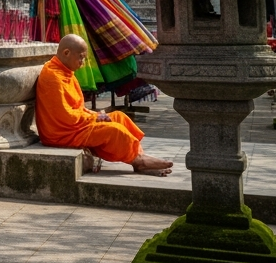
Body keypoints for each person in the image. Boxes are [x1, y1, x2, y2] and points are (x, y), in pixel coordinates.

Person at [36, 34, 174, 176]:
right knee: (113, 130)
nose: (82, 63)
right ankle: (139, 161)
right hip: (61, 133)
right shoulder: (54, 77)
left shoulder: (65, 72)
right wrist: (95, 117)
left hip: (73, 125)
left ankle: (138, 157)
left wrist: (95, 115)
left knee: (119, 117)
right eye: (81, 57)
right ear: (66, 53)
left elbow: (77, 109)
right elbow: (66, 117)